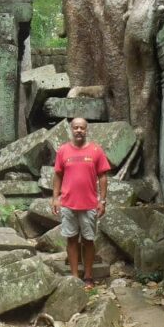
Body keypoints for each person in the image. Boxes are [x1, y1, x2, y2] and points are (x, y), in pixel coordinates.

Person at [50, 117, 111, 290]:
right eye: (76, 127)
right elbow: (58, 175)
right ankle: (75, 276)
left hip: (90, 204)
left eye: (82, 128)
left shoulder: (96, 150)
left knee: (88, 240)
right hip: (68, 204)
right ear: (71, 129)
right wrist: (55, 198)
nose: (78, 130)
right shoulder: (63, 151)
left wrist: (103, 200)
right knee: (71, 240)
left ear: (86, 130)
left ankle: (88, 276)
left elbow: (103, 177)